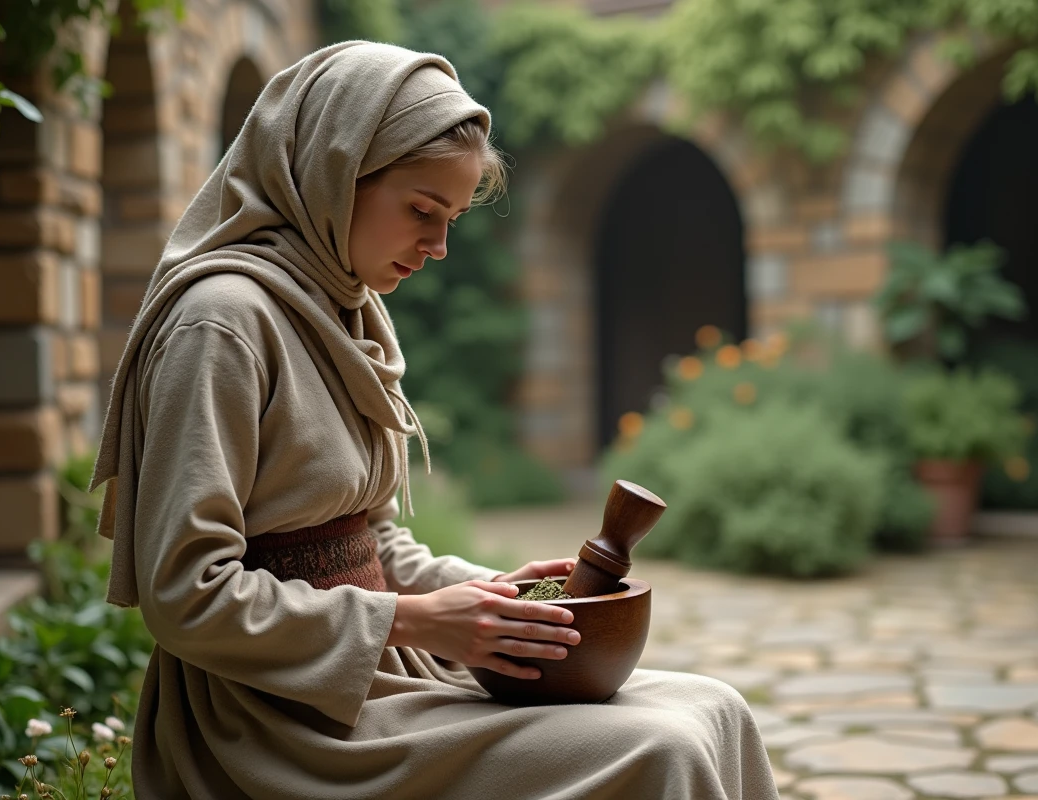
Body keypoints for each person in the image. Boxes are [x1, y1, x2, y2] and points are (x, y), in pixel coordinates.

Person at [91, 40, 780, 799]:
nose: (439, 246)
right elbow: (186, 596)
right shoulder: (220, 326)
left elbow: (368, 539)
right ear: (333, 168)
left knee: (719, 709)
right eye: (422, 210)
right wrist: (412, 622)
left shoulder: (345, 309)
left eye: (450, 218)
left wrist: (495, 598)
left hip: (378, 674)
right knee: (661, 748)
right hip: (277, 723)